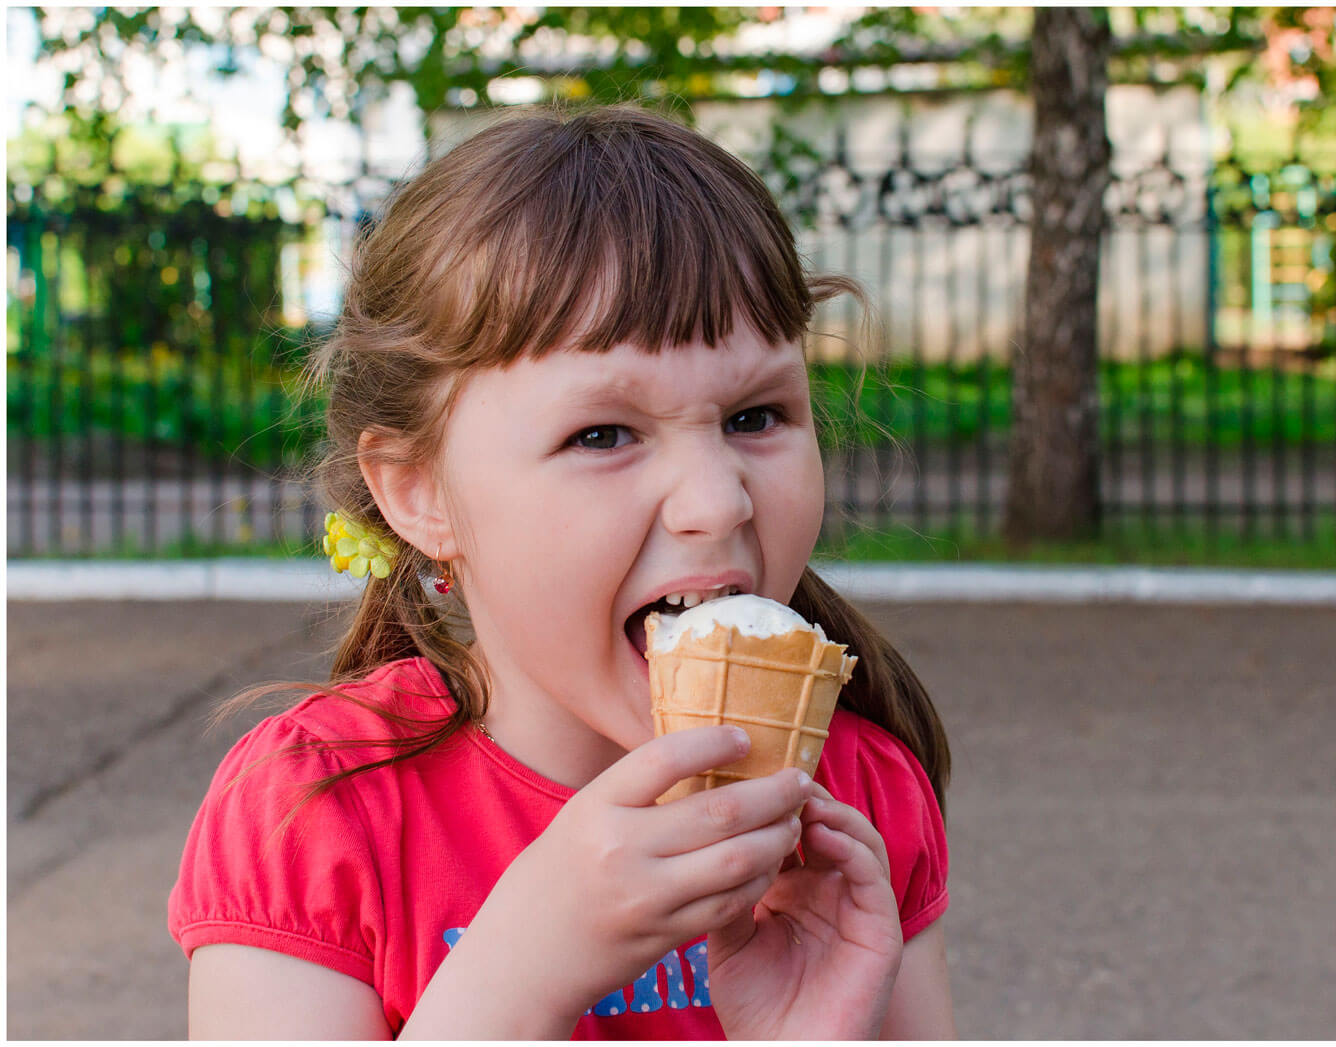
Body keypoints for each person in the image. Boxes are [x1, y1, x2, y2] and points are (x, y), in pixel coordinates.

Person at [169, 103, 954, 1040]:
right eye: (603, 434)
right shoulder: (316, 812)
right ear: (419, 492)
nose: (718, 501)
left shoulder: (858, 798)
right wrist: (518, 974)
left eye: (755, 415)